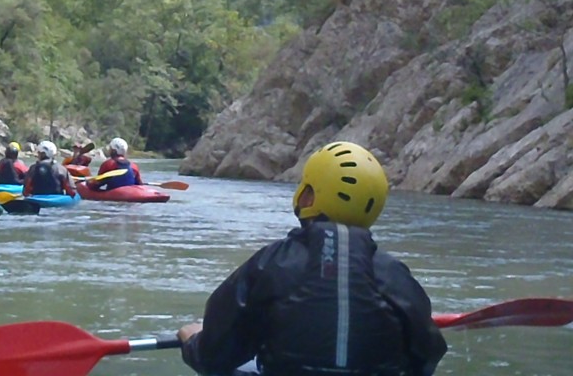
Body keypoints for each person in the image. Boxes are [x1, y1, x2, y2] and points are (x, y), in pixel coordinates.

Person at [178, 141, 447, 376]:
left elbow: (213, 356)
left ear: (308, 197)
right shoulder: (395, 275)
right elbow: (427, 356)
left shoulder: (271, 264)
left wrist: (192, 340)